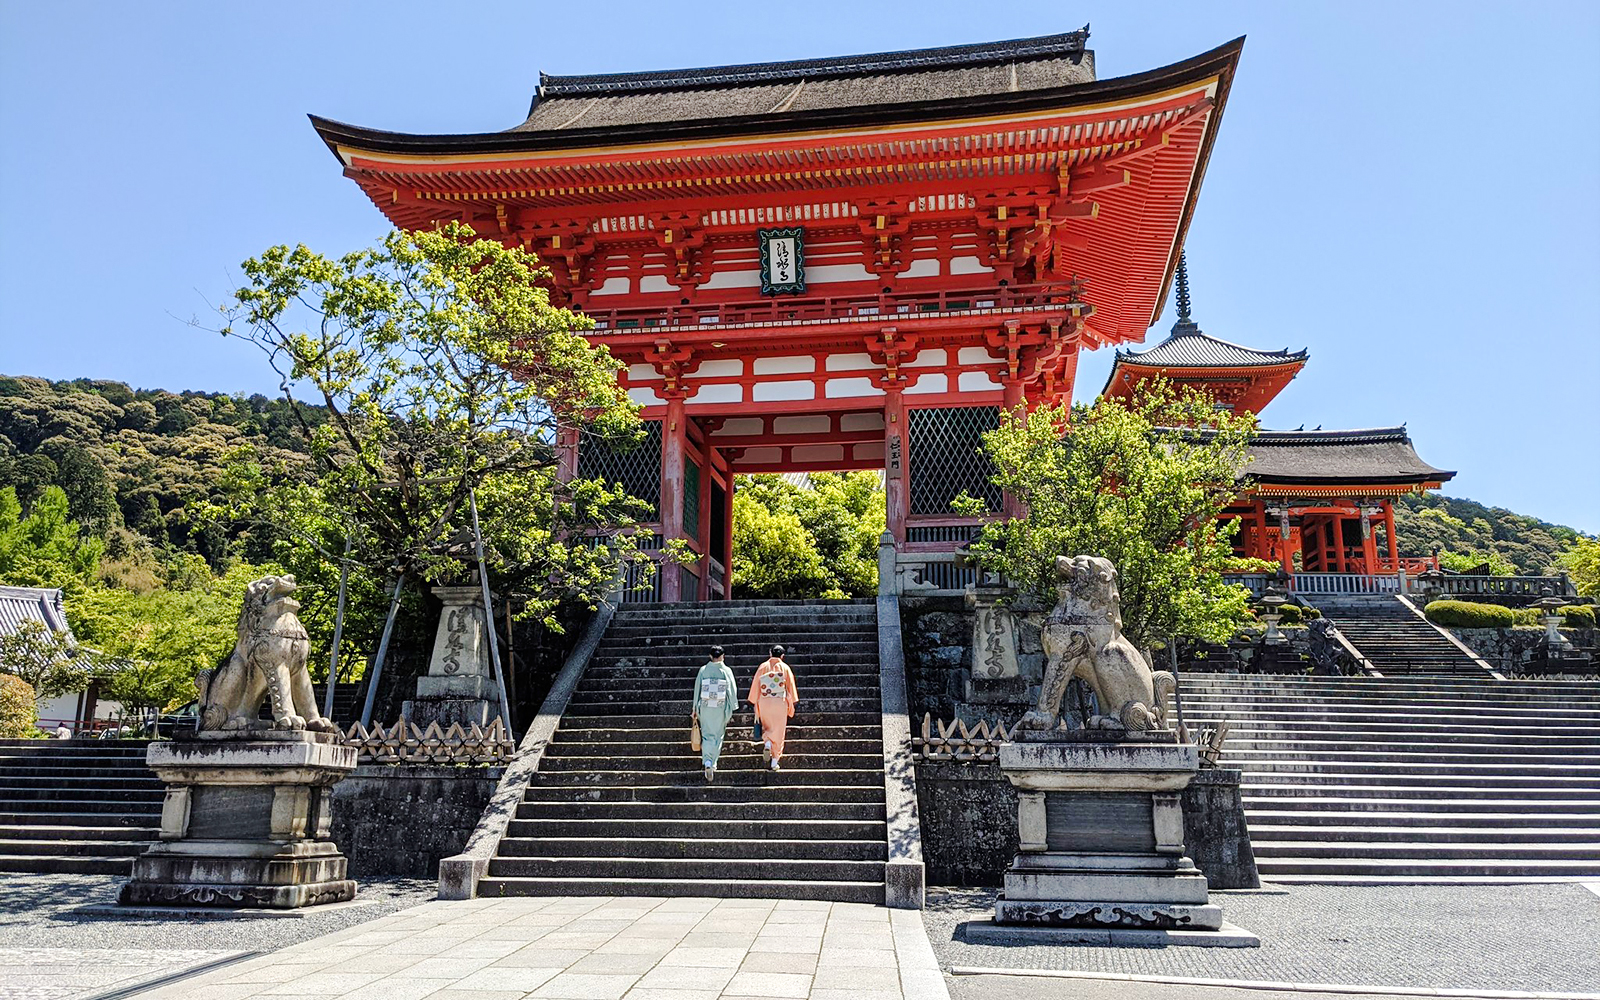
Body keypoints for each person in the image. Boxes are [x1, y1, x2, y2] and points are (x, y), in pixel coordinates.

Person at [748, 644, 799, 771]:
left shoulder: (763, 667)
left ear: (770, 653)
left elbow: (756, 685)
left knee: (767, 726)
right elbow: (790, 687)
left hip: (765, 701)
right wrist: (792, 701)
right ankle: (774, 761)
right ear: (782, 656)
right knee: (779, 731)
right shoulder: (785, 668)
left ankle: (768, 742)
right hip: (779, 702)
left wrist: (755, 700)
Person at [692, 645, 738, 782]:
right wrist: (732, 706)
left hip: (706, 706)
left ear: (710, 656)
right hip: (720, 706)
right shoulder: (726, 671)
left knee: (706, 735)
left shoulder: (703, 670)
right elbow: (731, 690)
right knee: (718, 735)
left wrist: (695, 708)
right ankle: (713, 763)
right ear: (722, 656)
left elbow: (697, 690)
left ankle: (707, 761)